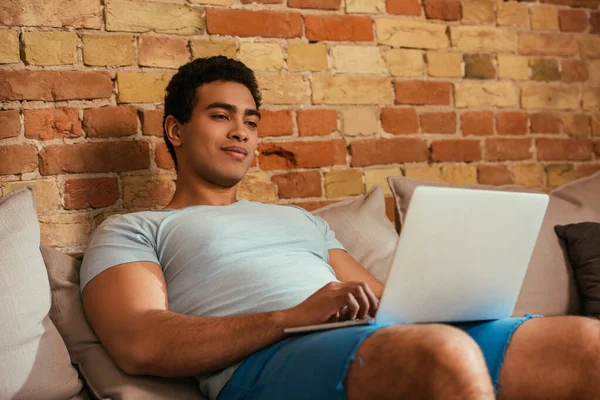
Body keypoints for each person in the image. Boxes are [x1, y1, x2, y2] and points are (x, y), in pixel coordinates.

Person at [80, 56, 600, 400]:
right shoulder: (135, 228)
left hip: (380, 339)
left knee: (585, 340)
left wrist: (455, 296)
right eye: (221, 115)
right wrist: (291, 317)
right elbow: (140, 340)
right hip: (267, 363)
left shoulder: (298, 219)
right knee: (442, 354)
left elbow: (381, 300)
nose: (241, 130)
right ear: (175, 129)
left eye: (252, 120)